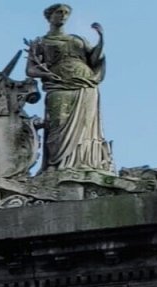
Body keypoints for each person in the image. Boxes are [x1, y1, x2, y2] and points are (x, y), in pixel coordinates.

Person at [26, 4, 111, 172]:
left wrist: (101, 39)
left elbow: (94, 59)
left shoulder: (77, 40)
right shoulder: (40, 42)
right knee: (58, 123)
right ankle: (56, 164)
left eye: (66, 13)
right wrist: (46, 75)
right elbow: (30, 70)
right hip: (58, 86)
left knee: (86, 127)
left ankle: (84, 164)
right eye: (59, 12)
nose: (63, 16)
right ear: (49, 16)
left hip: (85, 85)